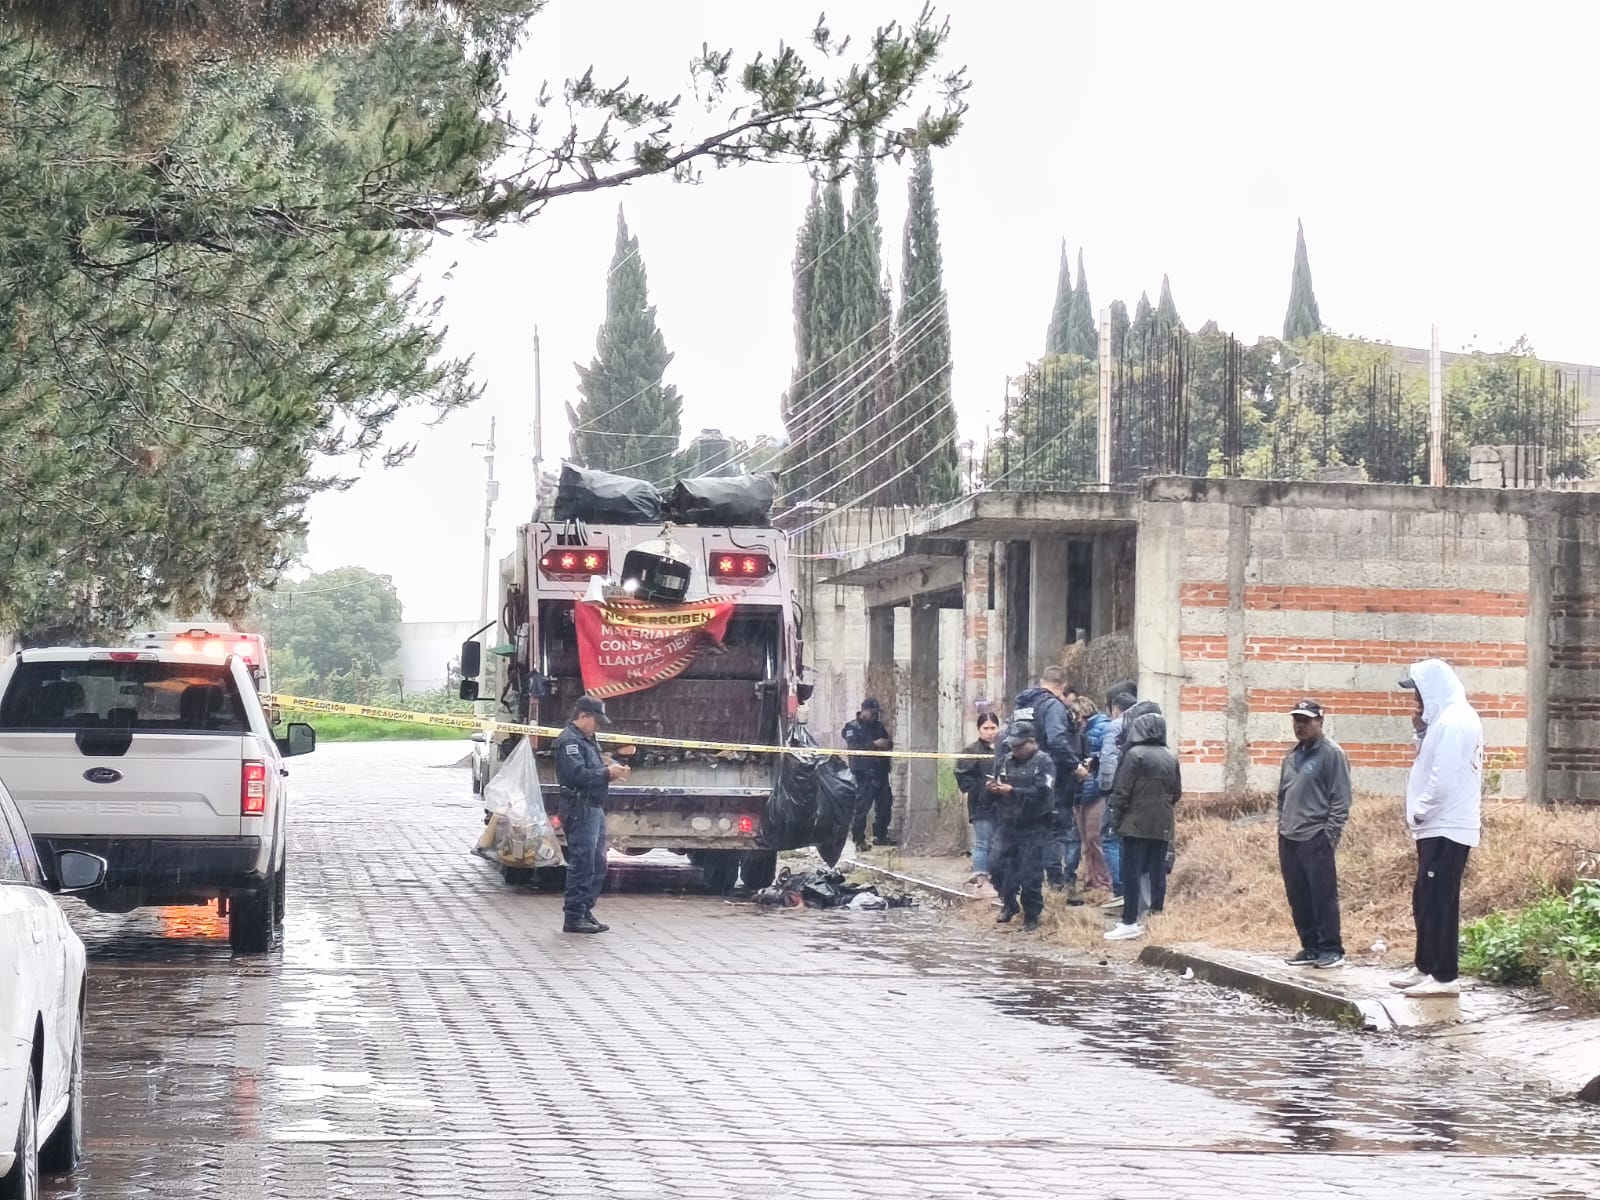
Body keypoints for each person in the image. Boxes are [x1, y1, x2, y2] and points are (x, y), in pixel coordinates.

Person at [1391, 659, 1483, 998]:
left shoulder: (1453, 723)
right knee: (1425, 898)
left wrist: (1420, 811)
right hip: (1437, 825)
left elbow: (1441, 779)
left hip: (1444, 825)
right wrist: (1420, 732)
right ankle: (1426, 966)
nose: (1415, 698)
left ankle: (1444, 977)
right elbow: (1429, 761)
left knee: (1441, 900)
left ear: (1432, 688)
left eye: (1417, 690)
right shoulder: (1445, 721)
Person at [1276, 698, 1352, 969]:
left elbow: (1341, 798)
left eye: (1306, 720)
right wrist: (1281, 826)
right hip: (1290, 836)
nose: (1300, 726)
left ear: (1320, 722)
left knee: (1323, 896)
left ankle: (1331, 948)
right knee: (1298, 895)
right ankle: (1309, 946)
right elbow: (1282, 796)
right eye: (1297, 720)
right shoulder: (1292, 756)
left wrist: (1329, 835)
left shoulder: (1331, 754)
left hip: (1315, 836)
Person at [554, 696, 629, 934]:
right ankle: (574, 916)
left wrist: (610, 766)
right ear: (583, 716)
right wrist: (607, 773)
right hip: (580, 807)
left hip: (593, 807)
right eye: (596, 721)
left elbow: (591, 766)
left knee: (597, 863)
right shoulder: (569, 742)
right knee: (583, 862)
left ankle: (585, 909)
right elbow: (577, 775)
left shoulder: (587, 740)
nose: (598, 726)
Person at [1105, 709, 1180, 941]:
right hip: (1162, 823)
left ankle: (1129, 920)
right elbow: (1176, 792)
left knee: (1132, 871)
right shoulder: (1170, 756)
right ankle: (1156, 916)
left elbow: (1121, 790)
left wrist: (1115, 818)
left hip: (1135, 823)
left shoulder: (1134, 755)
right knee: (1156, 871)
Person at [1012, 666, 1082, 893]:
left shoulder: (1023, 705)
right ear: (1061, 686)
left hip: (1021, 777)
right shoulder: (1052, 706)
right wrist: (1076, 765)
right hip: (1049, 778)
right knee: (1053, 830)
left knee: (1028, 831)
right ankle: (1056, 885)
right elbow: (1057, 740)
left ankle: (1026, 883)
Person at [987, 720, 1057, 932]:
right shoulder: (1005, 760)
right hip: (1007, 822)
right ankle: (1008, 903)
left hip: (1035, 824)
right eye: (1013, 746)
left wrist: (1013, 791)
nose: (1015, 750)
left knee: (1030, 872)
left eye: (1019, 746)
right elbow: (995, 783)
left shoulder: (1044, 762)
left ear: (1032, 742)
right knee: (996, 865)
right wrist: (992, 789)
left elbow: (1043, 792)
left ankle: (1032, 916)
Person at [1069, 695, 1113, 893]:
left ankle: (1103, 882)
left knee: (1095, 837)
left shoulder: (1102, 728)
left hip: (1095, 790)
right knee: (1087, 840)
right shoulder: (1081, 731)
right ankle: (1090, 879)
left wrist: (1094, 779)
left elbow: (1106, 759)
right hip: (1082, 790)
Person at [1096, 689, 1136, 907]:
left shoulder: (1115, 726)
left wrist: (1104, 787)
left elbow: (1109, 760)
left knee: (1110, 838)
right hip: (1137, 793)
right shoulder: (1148, 724)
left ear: (1115, 709)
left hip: (1116, 790)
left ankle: (1120, 888)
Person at [955, 711, 1003, 887]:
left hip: (1003, 803)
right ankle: (981, 876)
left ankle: (998, 876)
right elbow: (963, 776)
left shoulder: (1004, 748)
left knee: (999, 842)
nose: (990, 732)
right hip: (981, 804)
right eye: (986, 728)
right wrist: (982, 787)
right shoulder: (971, 751)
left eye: (993, 727)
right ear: (979, 729)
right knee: (983, 842)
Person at [843, 698, 895, 850]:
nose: (874, 716)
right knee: (861, 807)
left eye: (876, 713)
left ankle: (881, 835)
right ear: (864, 711)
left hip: (880, 771)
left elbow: (887, 742)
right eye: (872, 713)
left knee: (885, 805)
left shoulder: (878, 726)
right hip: (863, 773)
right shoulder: (852, 727)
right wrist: (874, 745)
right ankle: (859, 839)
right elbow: (853, 748)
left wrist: (886, 744)